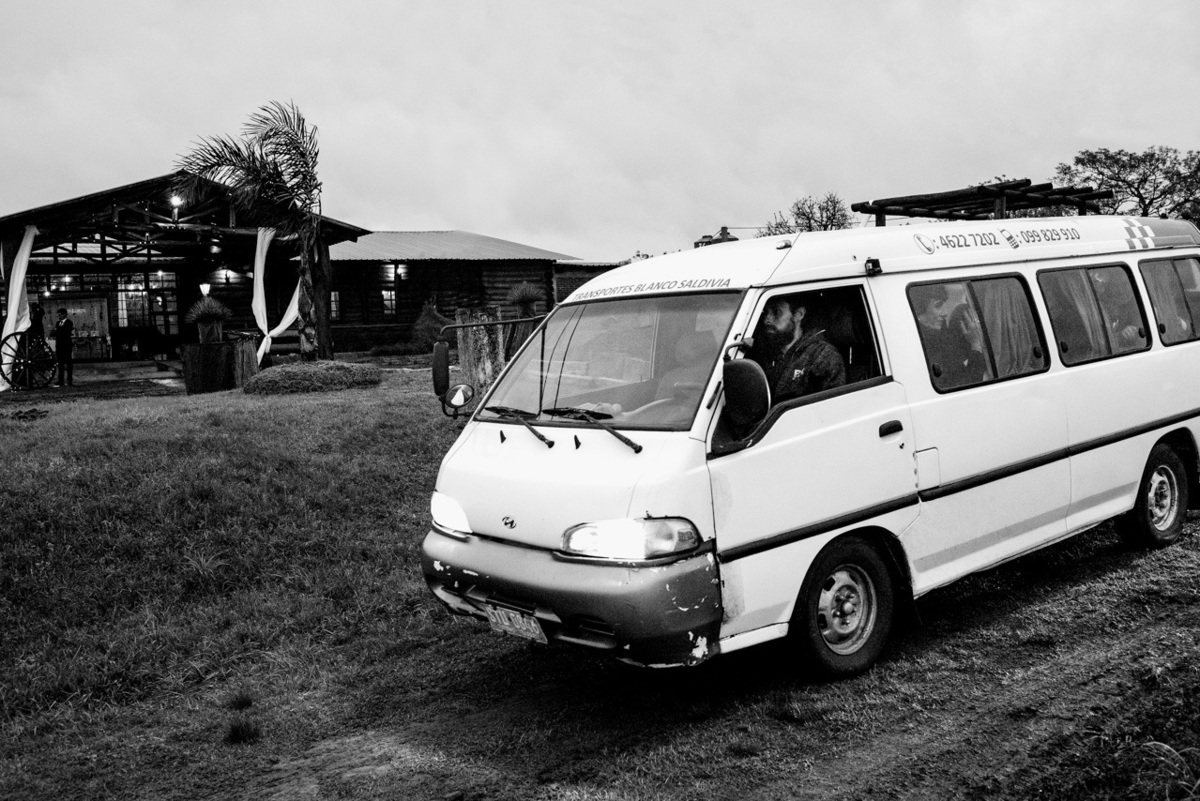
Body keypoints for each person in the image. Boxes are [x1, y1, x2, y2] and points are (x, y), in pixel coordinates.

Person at [750, 295, 845, 403]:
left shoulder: (822, 355)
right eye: (765, 312)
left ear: (798, 314)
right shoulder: (764, 352)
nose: (767, 320)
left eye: (776, 312)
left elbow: (833, 406)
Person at [911, 284, 987, 388]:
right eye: (938, 306)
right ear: (920, 310)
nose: (945, 313)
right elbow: (968, 383)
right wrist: (976, 345)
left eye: (945, 305)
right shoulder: (934, 344)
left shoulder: (925, 337)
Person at [53, 308, 74, 387]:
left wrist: (58, 331)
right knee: (60, 364)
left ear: (65, 314)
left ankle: (69, 380)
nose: (59, 316)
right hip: (59, 346)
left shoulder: (69, 323)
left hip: (66, 345)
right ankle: (60, 380)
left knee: (68, 364)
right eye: (58, 315)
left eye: (60, 315)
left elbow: (66, 333)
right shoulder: (58, 323)